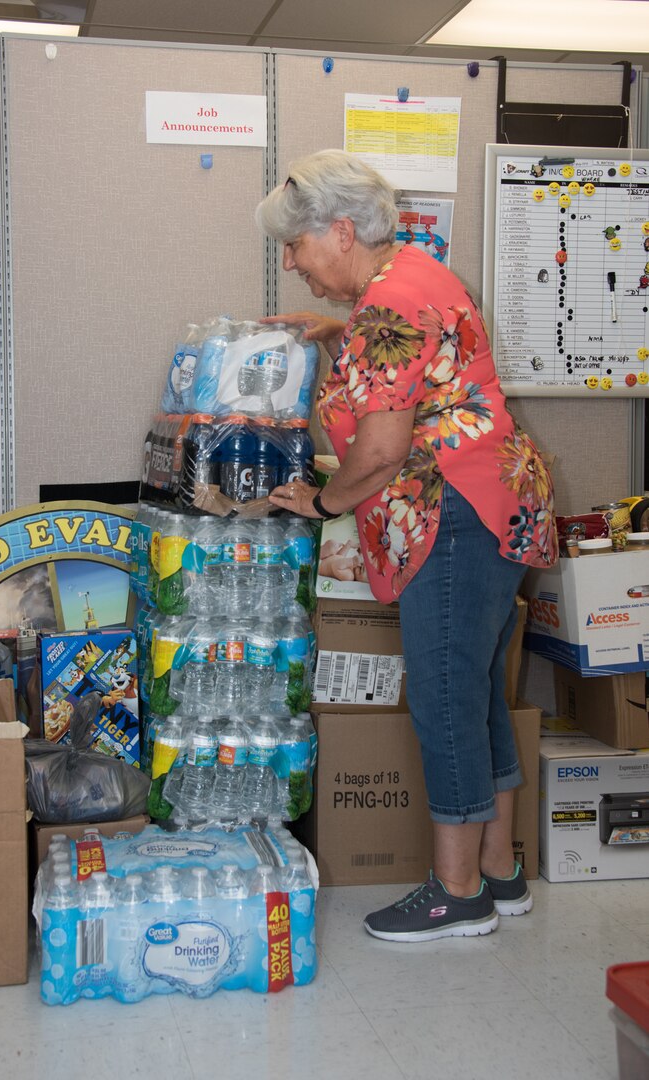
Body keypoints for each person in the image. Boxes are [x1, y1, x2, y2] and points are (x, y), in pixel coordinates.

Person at [255, 149, 557, 943]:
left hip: (451, 512)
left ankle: (456, 893)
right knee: (478, 688)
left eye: (296, 245)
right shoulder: (413, 276)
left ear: (341, 231)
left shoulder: (386, 309)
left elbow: (383, 451)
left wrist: (322, 500)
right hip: (491, 502)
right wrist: (332, 333)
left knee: (443, 697)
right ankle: (499, 872)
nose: (290, 261)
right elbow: (415, 371)